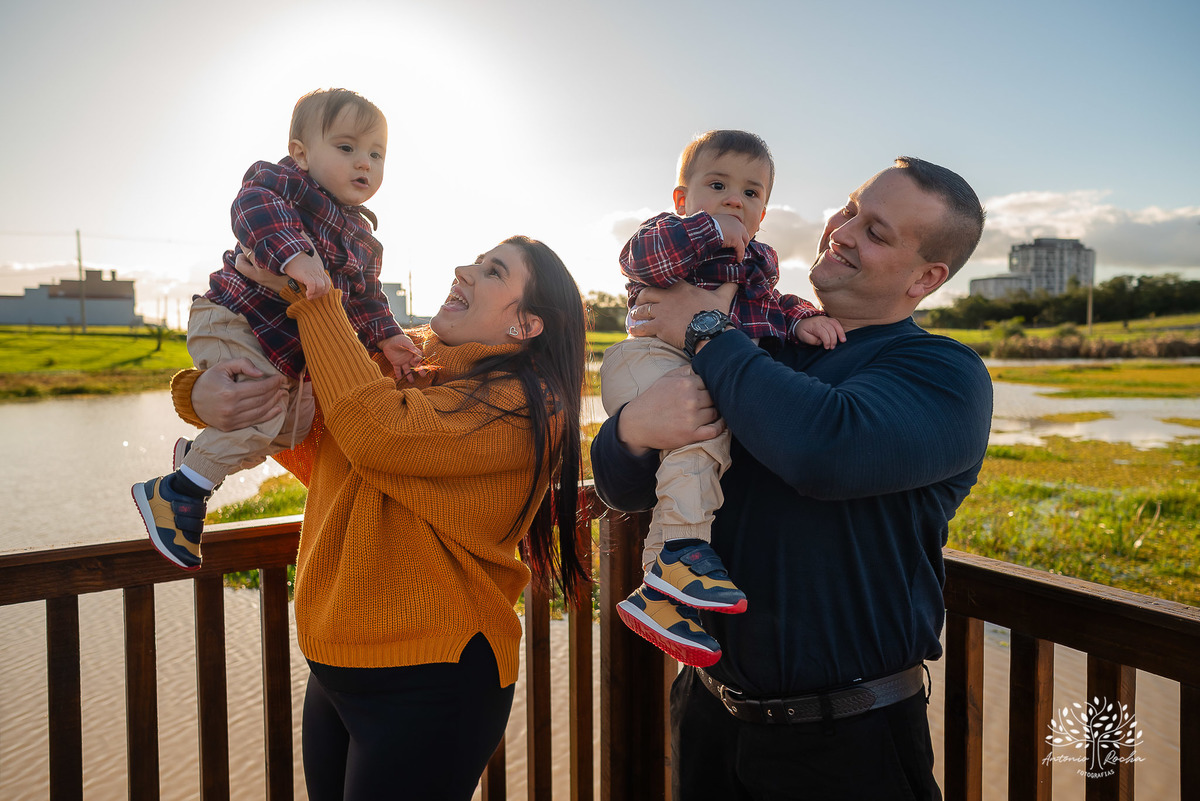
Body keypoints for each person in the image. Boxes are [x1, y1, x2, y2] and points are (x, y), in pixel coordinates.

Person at [591, 157, 993, 800]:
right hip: (709, 715)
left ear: (927, 277)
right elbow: (625, 488)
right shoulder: (761, 345)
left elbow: (821, 449)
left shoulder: (942, 374)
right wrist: (634, 429)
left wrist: (703, 326)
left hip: (845, 740)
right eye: (853, 208)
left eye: (877, 232)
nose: (844, 230)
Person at [172, 235, 589, 800]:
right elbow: (312, 437)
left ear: (527, 325)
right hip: (337, 661)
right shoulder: (403, 356)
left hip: (436, 676)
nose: (464, 268)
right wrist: (202, 396)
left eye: (492, 272)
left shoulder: (528, 403)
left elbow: (377, 434)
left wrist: (317, 300)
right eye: (476, 259)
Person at [132, 87, 421, 570]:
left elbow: (368, 298)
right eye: (346, 148)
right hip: (235, 318)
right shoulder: (283, 186)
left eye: (376, 154)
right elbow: (254, 212)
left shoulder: (365, 241)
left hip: (286, 352)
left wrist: (388, 335)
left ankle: (200, 458)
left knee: (293, 427)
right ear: (301, 154)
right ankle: (178, 492)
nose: (364, 164)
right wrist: (295, 256)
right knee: (263, 411)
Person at [601, 130, 845, 668]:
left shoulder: (757, 262)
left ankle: (659, 595)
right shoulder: (669, 235)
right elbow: (641, 259)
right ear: (681, 199)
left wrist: (804, 320)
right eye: (718, 184)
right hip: (646, 361)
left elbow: (765, 308)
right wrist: (709, 229)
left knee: (698, 456)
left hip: (688, 372)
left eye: (752, 193)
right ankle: (682, 553)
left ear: (763, 213)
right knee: (704, 430)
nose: (736, 198)